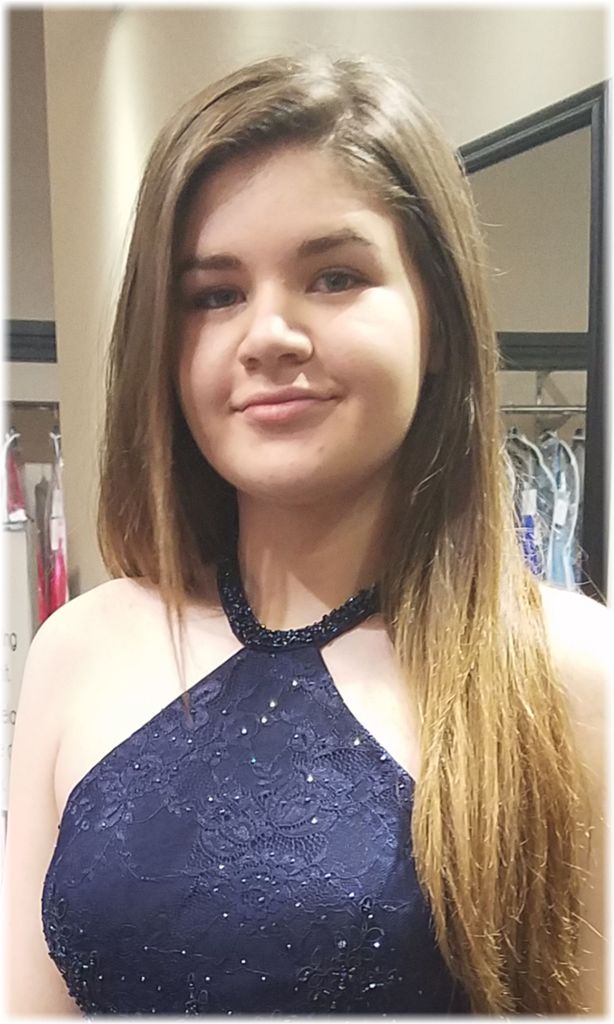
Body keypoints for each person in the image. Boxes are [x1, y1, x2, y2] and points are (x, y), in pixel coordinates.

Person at [4, 51, 606, 1016]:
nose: (268, 335)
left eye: (334, 276)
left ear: (437, 320)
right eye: (215, 294)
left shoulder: (565, 669)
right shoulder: (80, 649)